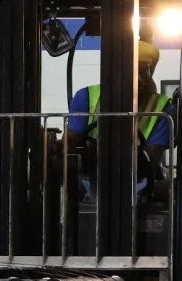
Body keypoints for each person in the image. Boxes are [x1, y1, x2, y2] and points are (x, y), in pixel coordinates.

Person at [66, 40, 176, 195]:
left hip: (137, 182)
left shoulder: (163, 108)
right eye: (130, 69)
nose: (137, 78)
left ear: (151, 72)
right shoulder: (86, 97)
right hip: (89, 177)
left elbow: (151, 160)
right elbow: (70, 147)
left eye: (143, 70)